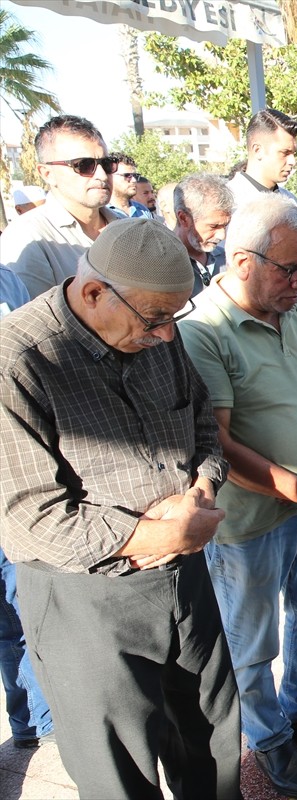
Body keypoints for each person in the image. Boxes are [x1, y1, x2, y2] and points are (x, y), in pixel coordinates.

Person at [0, 218, 241, 796]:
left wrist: (201, 491)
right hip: (87, 601)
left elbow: (204, 426)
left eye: (171, 320)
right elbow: (28, 519)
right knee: (119, 776)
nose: (165, 336)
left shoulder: (159, 327)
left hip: (185, 580)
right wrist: (156, 536)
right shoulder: (18, 360)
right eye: (153, 320)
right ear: (92, 293)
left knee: (214, 747)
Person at [179, 193, 297, 799]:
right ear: (241, 262)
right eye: (290, 269)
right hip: (250, 520)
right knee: (253, 641)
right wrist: (295, 484)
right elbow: (221, 444)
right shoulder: (204, 330)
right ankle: (267, 738)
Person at [0, 269, 53, 752]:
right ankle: (27, 722)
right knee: (9, 622)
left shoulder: (7, 281)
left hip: (12, 479)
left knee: (27, 612)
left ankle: (45, 721)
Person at [1, 115, 121, 297]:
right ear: (47, 173)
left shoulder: (128, 226)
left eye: (106, 163)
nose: (102, 175)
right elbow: (39, 322)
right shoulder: (26, 237)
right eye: (84, 165)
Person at [226, 108, 297, 264]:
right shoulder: (228, 202)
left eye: (293, 153)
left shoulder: (292, 202)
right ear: (257, 150)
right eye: (285, 153)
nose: (292, 161)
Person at [173, 173, 234, 296]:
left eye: (225, 225)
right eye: (213, 226)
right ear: (183, 218)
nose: (222, 235)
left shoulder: (227, 259)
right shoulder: (160, 265)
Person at [107, 153, 154, 218]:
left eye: (135, 176)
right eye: (127, 175)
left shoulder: (142, 210)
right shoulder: (101, 212)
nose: (134, 180)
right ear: (109, 177)